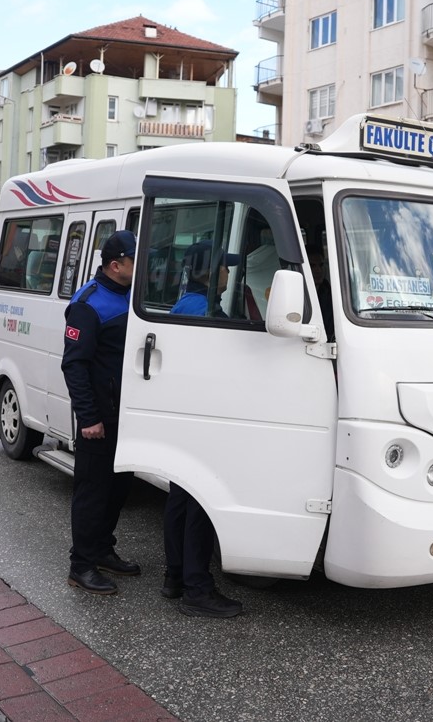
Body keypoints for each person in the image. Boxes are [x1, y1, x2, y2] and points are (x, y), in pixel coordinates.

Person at [162, 240, 244, 618]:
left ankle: (175, 577)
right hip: (202, 417)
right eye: (224, 267)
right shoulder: (206, 309)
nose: (228, 273)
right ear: (208, 273)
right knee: (201, 502)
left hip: (182, 415)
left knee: (180, 499)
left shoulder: (184, 302)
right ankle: (198, 587)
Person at [62, 230, 139, 595]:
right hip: (99, 417)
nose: (141, 267)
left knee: (118, 487)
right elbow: (74, 365)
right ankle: (82, 564)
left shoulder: (133, 298)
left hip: (126, 414)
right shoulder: (88, 303)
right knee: (92, 491)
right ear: (115, 265)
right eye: (135, 260)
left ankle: (103, 550)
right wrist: (88, 417)